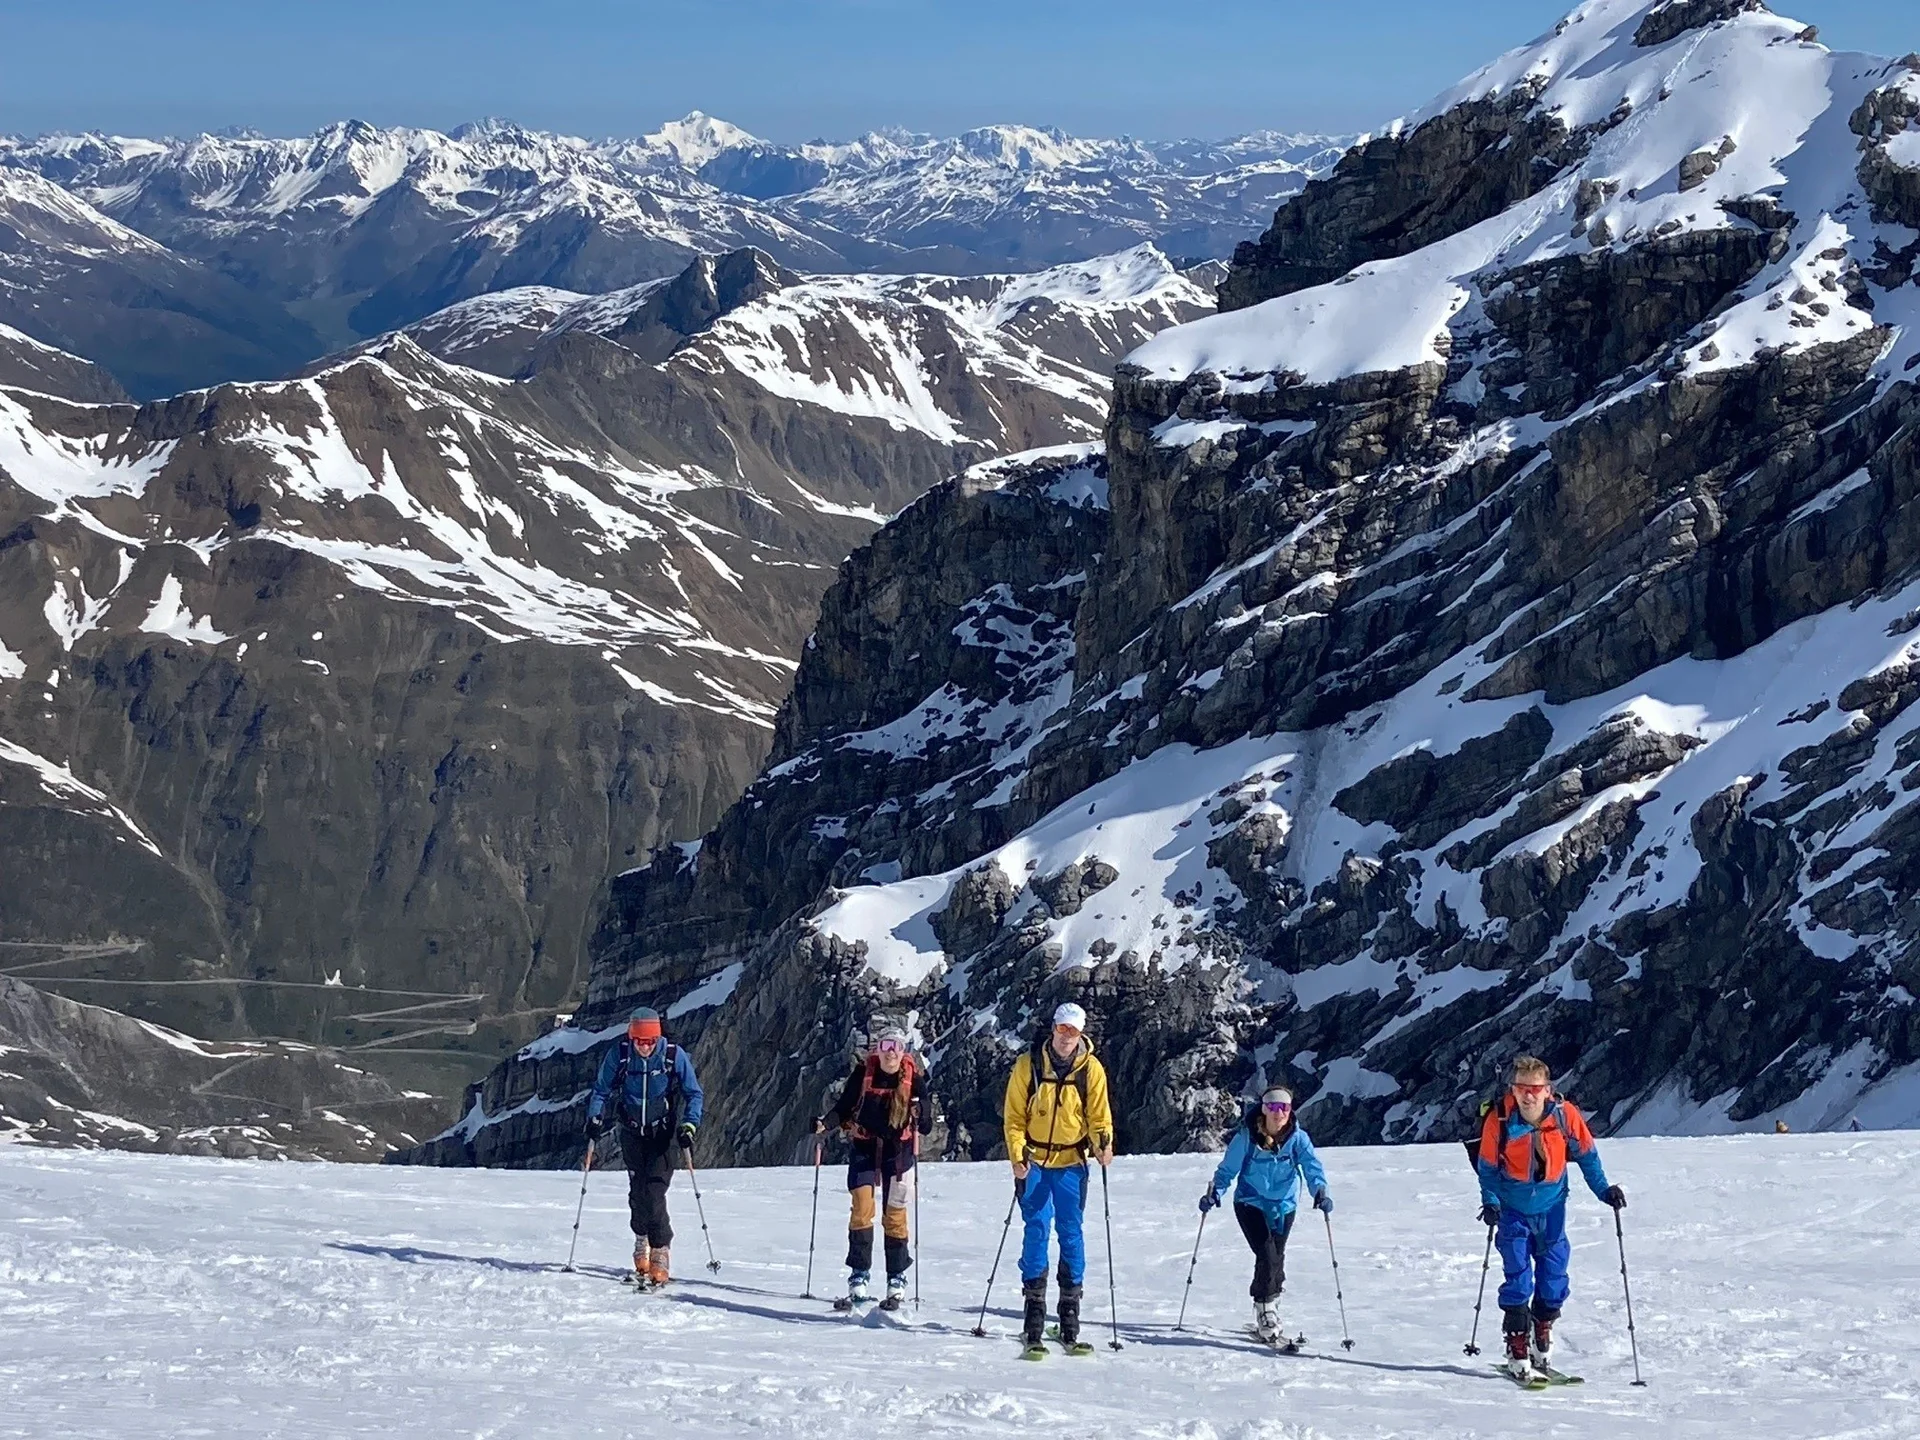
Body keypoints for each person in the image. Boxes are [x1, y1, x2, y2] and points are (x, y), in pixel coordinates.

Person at [1476, 1055, 1624, 1380]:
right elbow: (1487, 1169)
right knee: (1518, 1277)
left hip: (1552, 1208)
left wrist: (1604, 1190)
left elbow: (1587, 1156)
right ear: (1512, 1090)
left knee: (1554, 1275)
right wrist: (1491, 1202)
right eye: (1521, 1089)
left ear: (1547, 1090)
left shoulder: (1564, 1116)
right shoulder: (1499, 1120)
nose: (1528, 1096)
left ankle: (1541, 1325)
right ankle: (1517, 1342)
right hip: (1512, 1210)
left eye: (1535, 1089)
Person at [1003, 1001, 1114, 1351]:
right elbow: (1014, 1117)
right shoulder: (1029, 1065)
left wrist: (1103, 1144)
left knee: (1070, 1232)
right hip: (1034, 1162)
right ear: (1053, 1028)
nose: (1067, 1036)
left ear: (1081, 1034)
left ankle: (1069, 1312)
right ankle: (1034, 1311)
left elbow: (1099, 1116)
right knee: (1037, 1229)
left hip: (1071, 1162)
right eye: (1063, 1028)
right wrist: (1017, 1155)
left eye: (1073, 1030)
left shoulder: (1091, 1069)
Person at [584, 1007, 705, 1286]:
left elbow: (693, 1093)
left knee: (654, 1191)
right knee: (638, 1192)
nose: (645, 1047)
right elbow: (601, 1089)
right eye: (640, 1041)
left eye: (650, 1041)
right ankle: (641, 1238)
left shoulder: (673, 1056)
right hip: (632, 1133)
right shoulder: (620, 1055)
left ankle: (659, 1250)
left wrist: (689, 1125)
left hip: (662, 1134)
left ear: (658, 1038)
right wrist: (594, 1118)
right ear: (631, 1037)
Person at [1199, 1085, 1330, 1343]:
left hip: (1284, 1205)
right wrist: (1215, 1193)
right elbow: (1227, 1170)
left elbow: (1312, 1167)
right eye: (1273, 1106)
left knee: (1276, 1256)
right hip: (1250, 1203)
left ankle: (1271, 1303)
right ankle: (1265, 1309)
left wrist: (1320, 1192)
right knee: (1267, 1253)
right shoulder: (1246, 1138)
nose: (1279, 1112)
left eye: (1284, 1107)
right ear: (1264, 1109)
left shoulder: (1298, 1139)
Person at [814, 1022, 932, 1306]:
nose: (891, 1052)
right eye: (885, 1046)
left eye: (896, 1046)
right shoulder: (863, 1074)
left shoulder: (914, 1078)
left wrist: (921, 1111)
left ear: (903, 1051)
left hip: (898, 1152)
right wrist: (825, 1123)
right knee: (862, 1208)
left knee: (895, 1215)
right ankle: (859, 1274)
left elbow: (926, 1125)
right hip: (865, 1148)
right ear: (877, 1049)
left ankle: (896, 1276)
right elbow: (843, 1107)